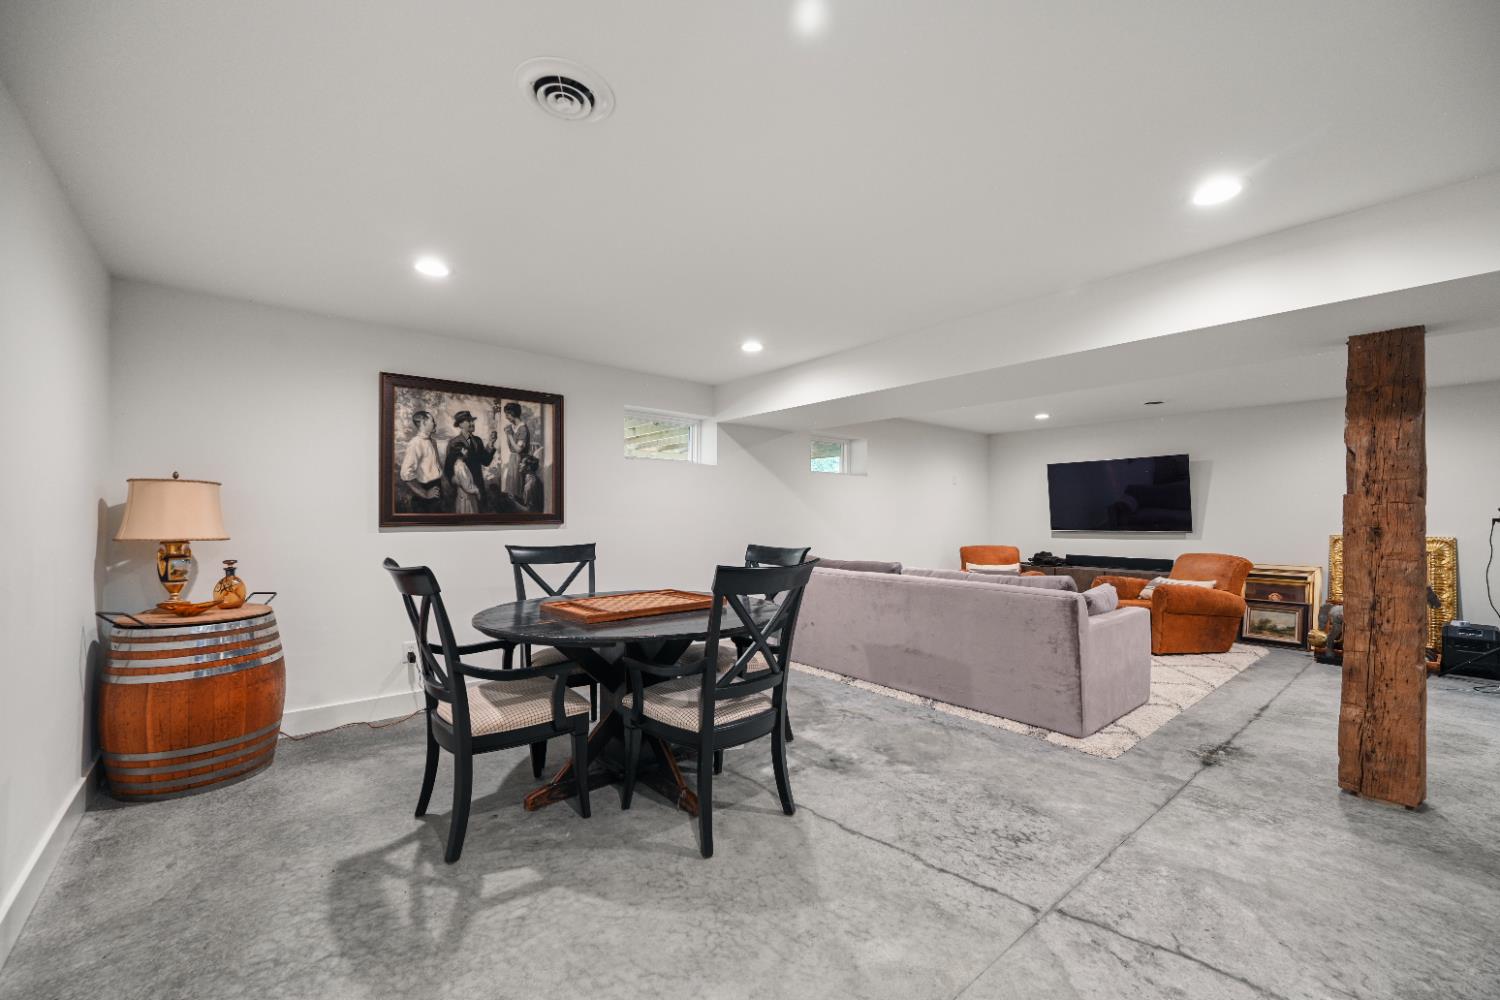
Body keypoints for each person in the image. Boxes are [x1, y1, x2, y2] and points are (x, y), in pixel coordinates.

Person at [442, 409, 497, 512]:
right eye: (469, 421)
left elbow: (486, 461)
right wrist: (457, 482)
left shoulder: (477, 441)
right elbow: (448, 468)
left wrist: (491, 444)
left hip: (478, 484)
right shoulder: (454, 443)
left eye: (472, 421)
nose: (472, 423)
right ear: (461, 424)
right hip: (463, 488)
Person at [398, 410, 443, 513]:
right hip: (424, 493)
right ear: (423, 423)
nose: (435, 423)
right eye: (432, 421)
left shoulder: (432, 441)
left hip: (437, 488)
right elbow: (405, 474)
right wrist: (425, 493)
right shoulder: (415, 443)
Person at [500, 401, 531, 499]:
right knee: (511, 487)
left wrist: (509, 435)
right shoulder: (511, 427)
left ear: (513, 413)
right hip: (513, 459)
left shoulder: (523, 429)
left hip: (520, 460)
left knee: (517, 487)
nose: (506, 417)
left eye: (507, 414)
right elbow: (512, 448)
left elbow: (518, 449)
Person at [449, 439, 482, 515]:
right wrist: (477, 491)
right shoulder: (460, 466)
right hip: (466, 499)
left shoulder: (460, 464)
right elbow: (466, 485)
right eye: (464, 450)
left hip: (465, 496)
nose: (467, 451)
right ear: (460, 452)